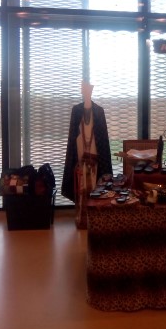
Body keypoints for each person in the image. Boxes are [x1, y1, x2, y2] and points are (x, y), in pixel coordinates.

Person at [62, 81, 113, 229]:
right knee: (81, 187)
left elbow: (102, 137)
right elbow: (73, 135)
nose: (86, 92)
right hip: (80, 152)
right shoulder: (76, 110)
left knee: (95, 185)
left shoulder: (99, 111)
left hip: (96, 153)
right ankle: (82, 217)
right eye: (83, 89)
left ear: (91, 90)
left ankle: (96, 218)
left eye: (88, 89)